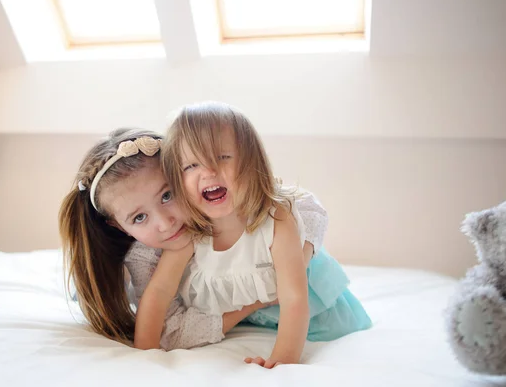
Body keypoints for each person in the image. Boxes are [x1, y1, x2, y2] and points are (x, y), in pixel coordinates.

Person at [135, 102, 371, 368]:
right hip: (247, 315)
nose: (209, 171)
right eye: (191, 165)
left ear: (251, 162)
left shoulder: (277, 219)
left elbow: (294, 298)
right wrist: (145, 354)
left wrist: (282, 360)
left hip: (304, 310)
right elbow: (159, 291)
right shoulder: (190, 230)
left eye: (223, 157)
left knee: (328, 325)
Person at [58, 128, 329, 350]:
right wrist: (254, 303)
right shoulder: (147, 257)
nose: (166, 223)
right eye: (139, 218)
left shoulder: (218, 204)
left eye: (167, 195)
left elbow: (304, 205)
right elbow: (169, 331)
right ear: (118, 226)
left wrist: (294, 264)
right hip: (241, 309)